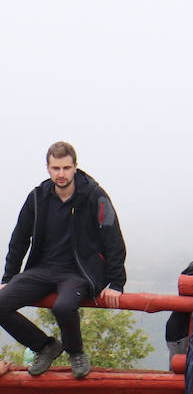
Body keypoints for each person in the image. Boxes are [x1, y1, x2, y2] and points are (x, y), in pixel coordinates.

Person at [0, 142, 126, 380]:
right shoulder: (38, 197)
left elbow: (113, 238)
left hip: (80, 271)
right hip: (43, 268)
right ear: (48, 168)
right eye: (55, 168)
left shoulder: (94, 196)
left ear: (75, 168)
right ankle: (45, 346)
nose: (61, 174)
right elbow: (19, 239)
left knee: (63, 306)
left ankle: (76, 352)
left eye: (66, 168)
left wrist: (117, 283)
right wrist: (8, 277)